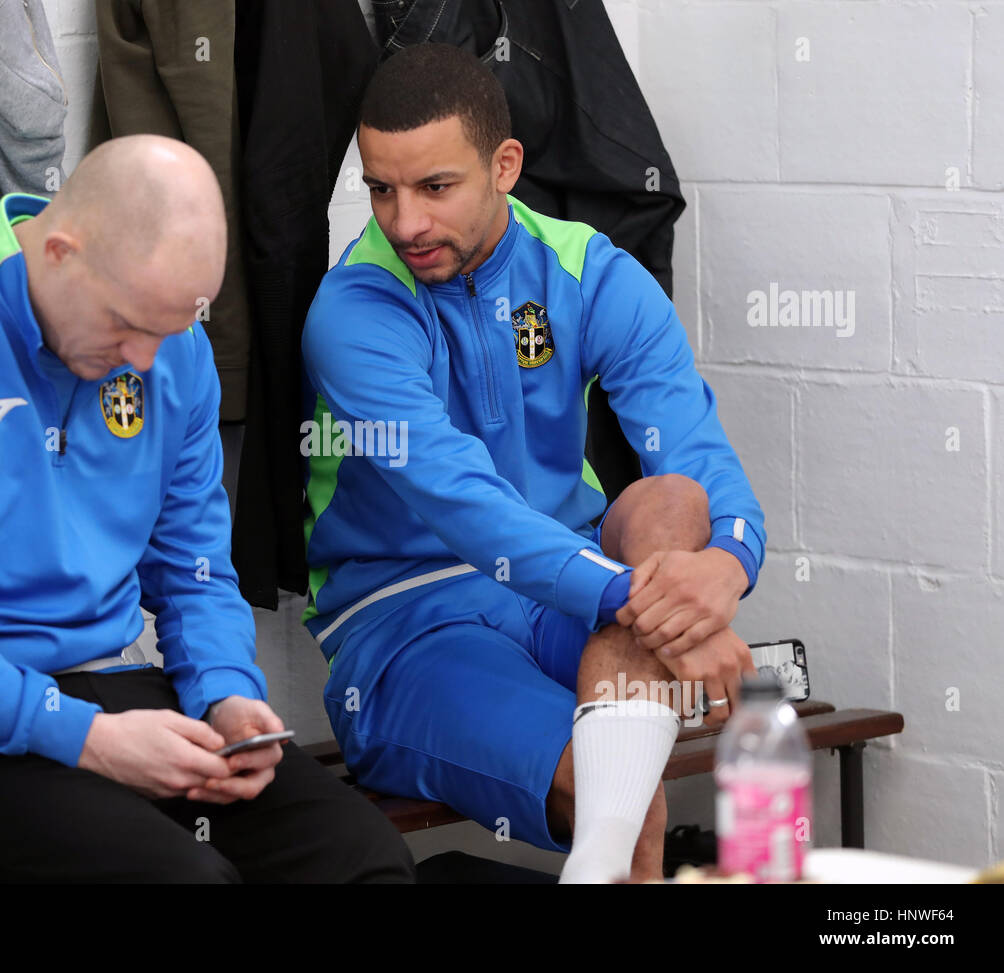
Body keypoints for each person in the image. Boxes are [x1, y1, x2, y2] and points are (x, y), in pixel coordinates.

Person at [0, 134, 415, 884]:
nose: (148, 361)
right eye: (127, 325)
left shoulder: (171, 344)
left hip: (116, 688)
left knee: (364, 860)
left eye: (172, 327)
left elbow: (193, 571)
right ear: (59, 251)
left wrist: (226, 692)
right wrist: (87, 738)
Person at [301, 44, 764, 884]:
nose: (403, 222)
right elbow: (464, 502)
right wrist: (659, 608)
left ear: (504, 166)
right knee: (619, 792)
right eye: (380, 189)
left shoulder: (590, 269)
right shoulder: (354, 311)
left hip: (570, 580)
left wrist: (727, 566)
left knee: (670, 498)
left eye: (434, 187)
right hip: (407, 624)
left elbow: (694, 448)